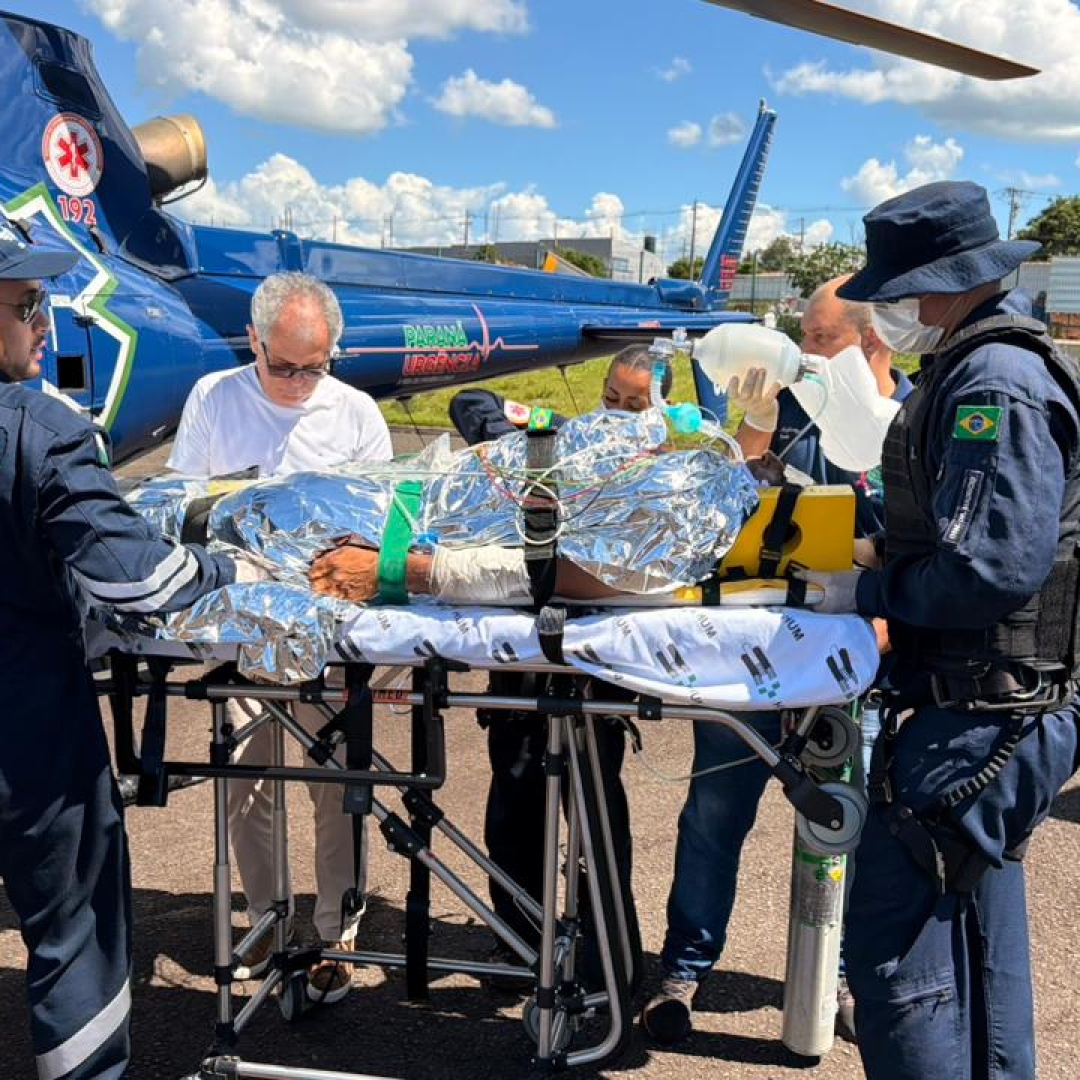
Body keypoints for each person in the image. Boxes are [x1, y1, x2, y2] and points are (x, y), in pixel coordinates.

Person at [803, 180, 1080, 1080]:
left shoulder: (993, 384)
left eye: (892, 294)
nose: (884, 314)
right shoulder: (974, 368)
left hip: (984, 718)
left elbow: (986, 569)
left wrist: (874, 581)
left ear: (941, 284)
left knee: (893, 958)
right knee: (979, 942)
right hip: (997, 710)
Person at [640, 275, 913, 1044]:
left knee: (845, 824)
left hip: (855, 660)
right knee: (713, 815)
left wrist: (888, 610)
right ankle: (684, 971)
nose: (801, 354)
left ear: (871, 341)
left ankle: (846, 978)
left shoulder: (910, 415)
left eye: (818, 340)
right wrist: (754, 418)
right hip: (758, 651)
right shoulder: (792, 402)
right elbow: (735, 492)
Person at [0, 232, 242, 1079]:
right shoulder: (36, 429)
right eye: (25, 304)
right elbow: (142, 585)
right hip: (25, 734)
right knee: (75, 933)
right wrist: (226, 563)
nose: (44, 322)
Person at [169, 271, 393, 1005]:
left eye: (314, 367)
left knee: (338, 787)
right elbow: (186, 509)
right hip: (240, 629)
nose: (298, 382)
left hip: (328, 633)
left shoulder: (357, 412)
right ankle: (265, 919)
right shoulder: (214, 398)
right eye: (283, 366)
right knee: (247, 785)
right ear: (254, 341)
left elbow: (387, 529)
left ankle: (336, 933)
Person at [445, 346, 666, 992]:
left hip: (598, 668)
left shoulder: (666, 471)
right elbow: (472, 405)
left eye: (634, 407)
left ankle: (607, 954)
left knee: (597, 813)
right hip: (523, 660)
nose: (618, 416)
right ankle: (517, 943)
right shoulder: (559, 444)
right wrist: (545, 434)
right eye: (611, 400)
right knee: (514, 802)